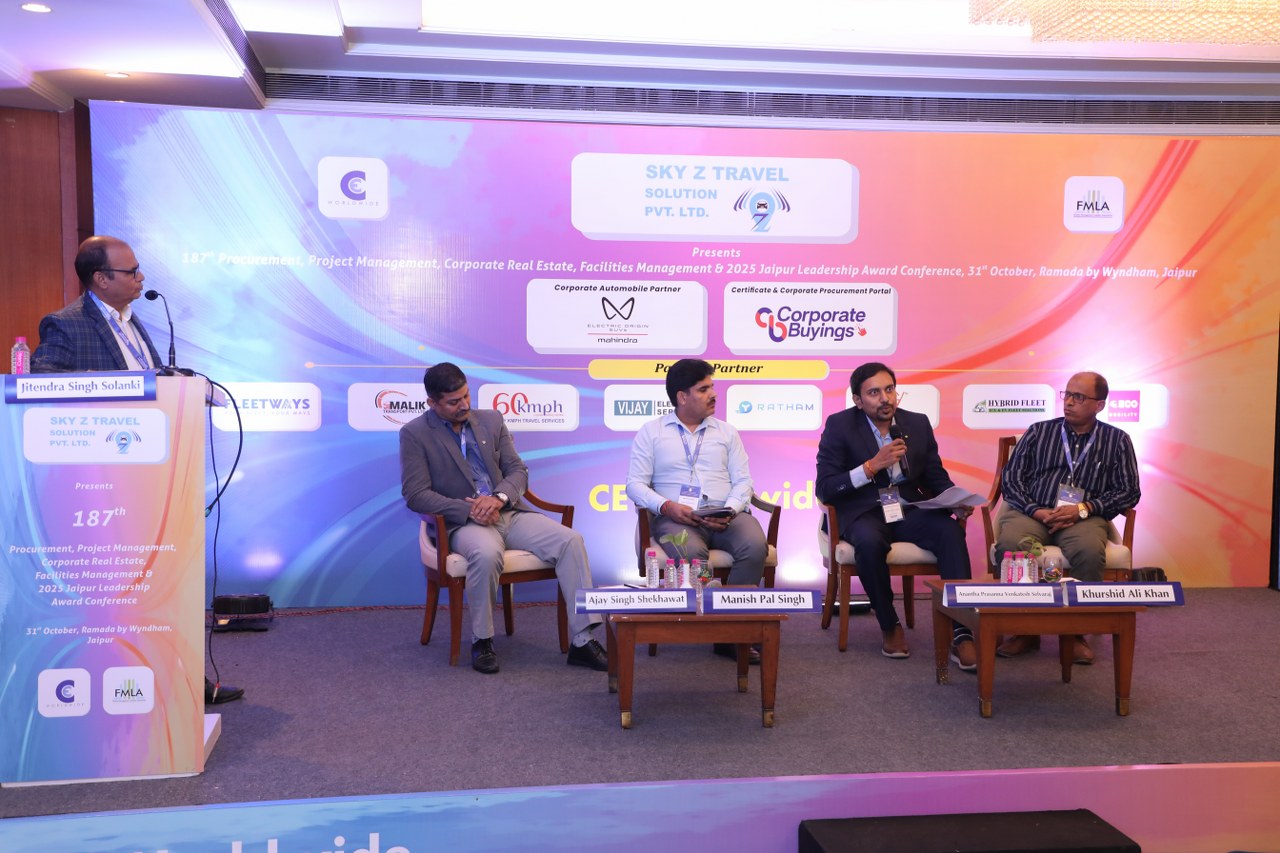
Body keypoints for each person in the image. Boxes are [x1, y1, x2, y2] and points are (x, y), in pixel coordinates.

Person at [399, 362, 607, 675]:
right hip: (465, 522)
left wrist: (498, 498)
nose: (464, 405)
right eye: (454, 402)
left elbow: (518, 471)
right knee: (485, 553)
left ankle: (583, 640)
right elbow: (415, 494)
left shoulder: (491, 420)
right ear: (432, 402)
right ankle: (482, 641)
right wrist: (470, 509)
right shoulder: (415, 434)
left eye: (466, 396)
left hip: (508, 511)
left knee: (571, 541)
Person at [815, 362, 976, 668]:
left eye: (889, 389)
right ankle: (890, 624)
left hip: (908, 508)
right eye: (874, 393)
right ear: (858, 400)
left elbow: (935, 476)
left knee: (950, 531)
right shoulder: (840, 426)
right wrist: (870, 467)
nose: (885, 398)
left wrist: (953, 500)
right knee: (869, 543)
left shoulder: (917, 423)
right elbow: (825, 487)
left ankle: (962, 631)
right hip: (863, 511)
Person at [626, 358, 768, 663]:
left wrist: (729, 510)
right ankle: (714, 626)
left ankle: (733, 630)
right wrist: (667, 506)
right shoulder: (652, 432)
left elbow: (744, 481)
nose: (713, 394)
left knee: (756, 546)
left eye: (712, 387)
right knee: (691, 553)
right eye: (704, 389)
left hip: (727, 515)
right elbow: (635, 485)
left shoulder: (727, 432)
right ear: (682, 396)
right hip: (676, 520)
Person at [995, 371, 1141, 663]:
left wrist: (1083, 509)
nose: (1069, 402)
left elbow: (1129, 491)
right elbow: (1011, 479)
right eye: (1067, 394)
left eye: (1079, 397)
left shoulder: (1117, 440)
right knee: (1012, 545)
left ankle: (1075, 633)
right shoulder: (1039, 432)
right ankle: (1024, 630)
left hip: (1083, 518)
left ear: (1099, 405)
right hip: (1034, 513)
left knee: (1088, 551)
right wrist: (1035, 510)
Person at [32, 236, 162, 373]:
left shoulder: (129, 316)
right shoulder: (65, 324)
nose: (141, 277)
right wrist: (95, 381)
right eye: (132, 272)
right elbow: (41, 373)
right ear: (101, 279)